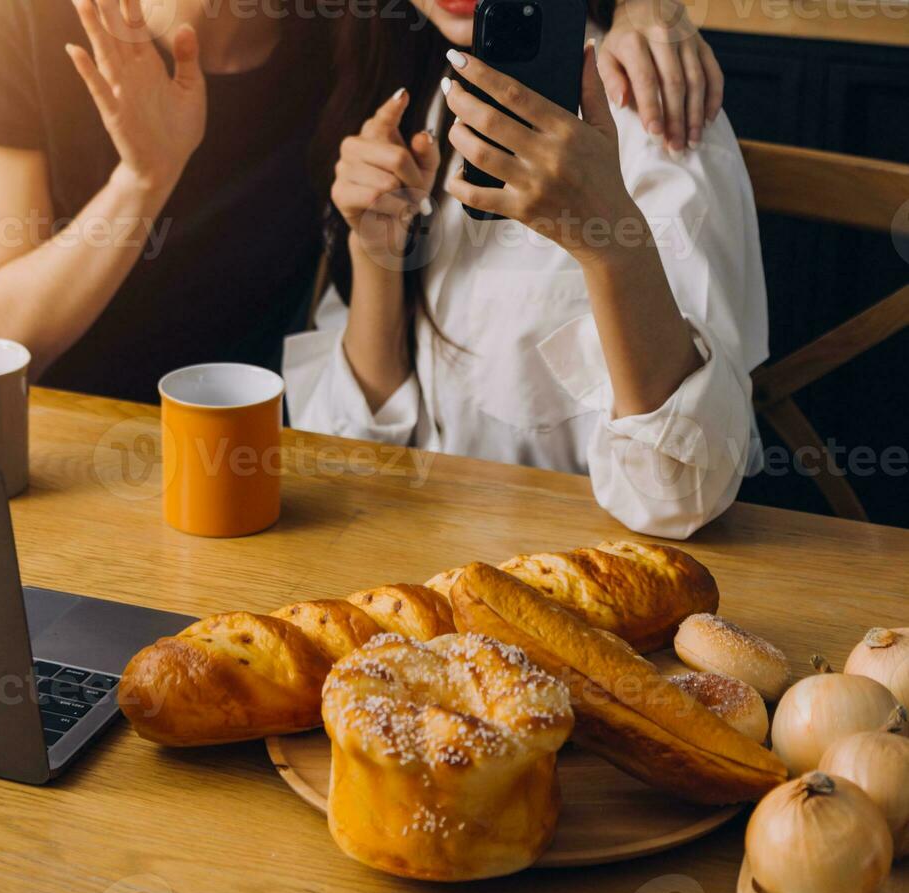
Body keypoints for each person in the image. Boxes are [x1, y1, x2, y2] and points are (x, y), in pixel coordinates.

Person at [0, 0, 726, 404]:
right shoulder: (16, 19)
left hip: (257, 450)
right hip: (44, 433)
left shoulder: (354, 32)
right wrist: (145, 177)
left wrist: (638, 9)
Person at [285, 0, 766, 540]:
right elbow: (344, 455)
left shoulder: (646, 100)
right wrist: (376, 254)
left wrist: (608, 244)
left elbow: (678, 496)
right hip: (407, 558)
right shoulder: (416, 90)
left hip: (583, 571)